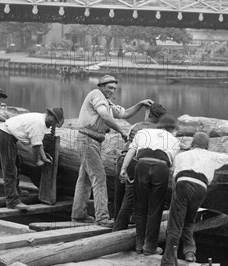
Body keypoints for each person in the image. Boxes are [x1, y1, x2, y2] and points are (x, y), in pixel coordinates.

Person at [71, 75, 153, 227]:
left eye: (114, 88)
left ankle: (78, 214)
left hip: (93, 141)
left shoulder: (107, 102)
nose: (112, 91)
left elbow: (124, 114)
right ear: (100, 86)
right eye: (109, 88)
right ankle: (102, 217)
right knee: (99, 178)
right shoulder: (96, 95)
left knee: (85, 179)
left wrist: (140, 104)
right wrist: (122, 131)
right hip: (87, 140)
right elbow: (104, 115)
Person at [153, 132, 228, 266]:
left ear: (192, 144)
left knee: (175, 226)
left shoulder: (181, 156)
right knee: (189, 221)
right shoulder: (212, 155)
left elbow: (174, 179)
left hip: (183, 184)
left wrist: (175, 198)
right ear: (207, 145)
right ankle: (190, 252)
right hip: (201, 188)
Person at [120, 114, 181, 255]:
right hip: (161, 167)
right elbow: (173, 166)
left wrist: (123, 168)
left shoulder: (143, 132)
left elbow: (131, 151)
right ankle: (150, 247)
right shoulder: (173, 139)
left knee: (140, 206)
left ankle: (139, 245)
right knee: (156, 208)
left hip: (141, 165)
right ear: (172, 129)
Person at [112, 103, 167, 232]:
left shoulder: (136, 126)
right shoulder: (159, 131)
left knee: (118, 195)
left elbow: (128, 143)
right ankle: (118, 230)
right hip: (136, 162)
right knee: (130, 198)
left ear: (149, 114)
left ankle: (116, 221)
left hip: (122, 159)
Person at [0, 107, 64, 209]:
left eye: (56, 122)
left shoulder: (41, 120)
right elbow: (35, 146)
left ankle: (16, 191)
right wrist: (37, 161)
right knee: (10, 170)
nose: (53, 124)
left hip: (9, 135)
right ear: (50, 116)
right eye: (54, 121)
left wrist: (44, 158)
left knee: (16, 163)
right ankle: (12, 202)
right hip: (6, 136)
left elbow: (39, 142)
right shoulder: (40, 123)